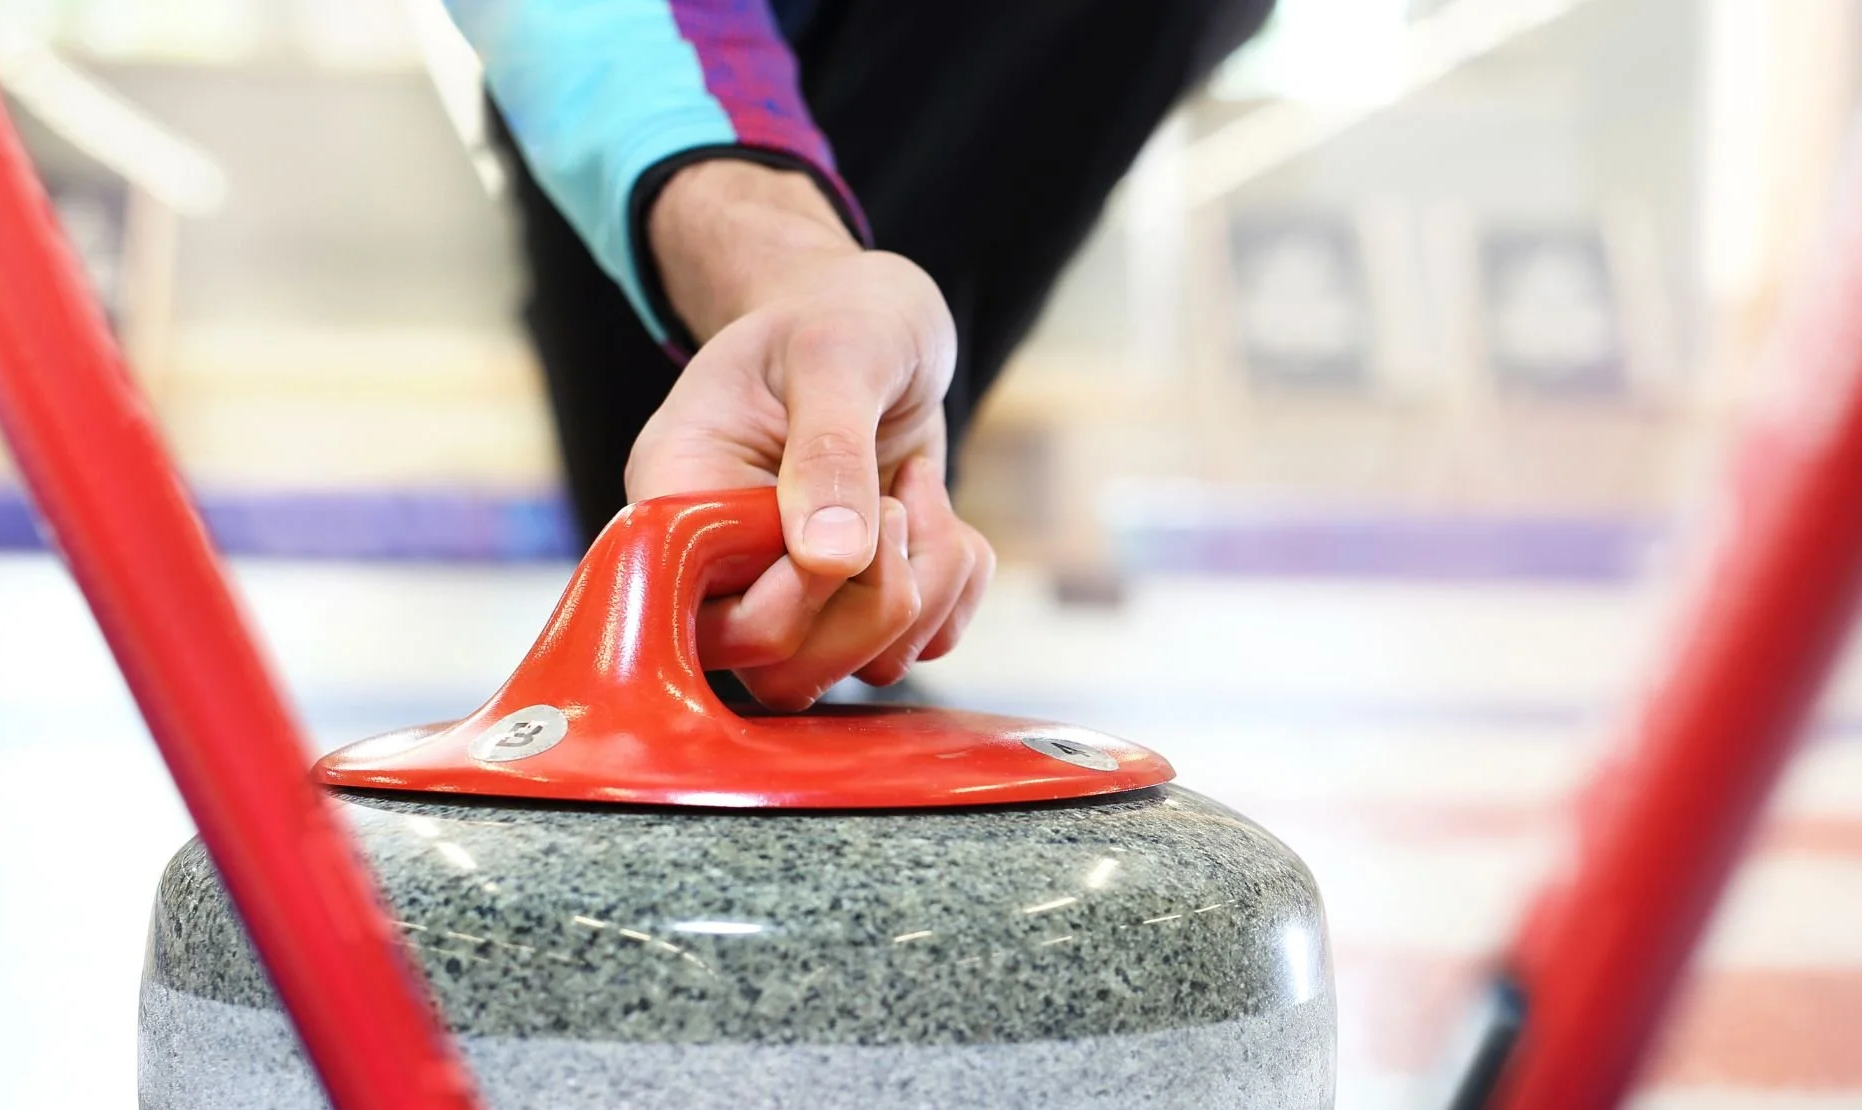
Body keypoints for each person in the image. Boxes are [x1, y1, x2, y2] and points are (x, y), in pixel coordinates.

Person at [443, 0, 1269, 709]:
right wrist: (780, 259)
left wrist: (818, 296)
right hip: (634, 69)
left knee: (762, 609)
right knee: (702, 608)